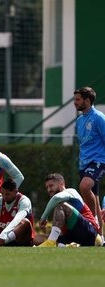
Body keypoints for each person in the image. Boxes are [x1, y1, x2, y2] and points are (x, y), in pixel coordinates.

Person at [37, 173, 102, 247]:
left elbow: (56, 198)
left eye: (51, 186)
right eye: (47, 187)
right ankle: (71, 245)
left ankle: (50, 242)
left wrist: (44, 217)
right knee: (59, 245)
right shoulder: (59, 201)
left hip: (90, 232)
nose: (49, 190)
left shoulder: (71, 191)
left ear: (61, 184)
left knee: (61, 206)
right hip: (76, 235)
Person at [73, 86, 105, 231]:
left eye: (78, 99)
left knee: (84, 187)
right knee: (95, 198)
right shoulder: (79, 121)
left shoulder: (99, 117)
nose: (75, 102)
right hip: (84, 164)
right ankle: (100, 235)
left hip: (99, 161)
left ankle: (94, 220)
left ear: (87, 100)